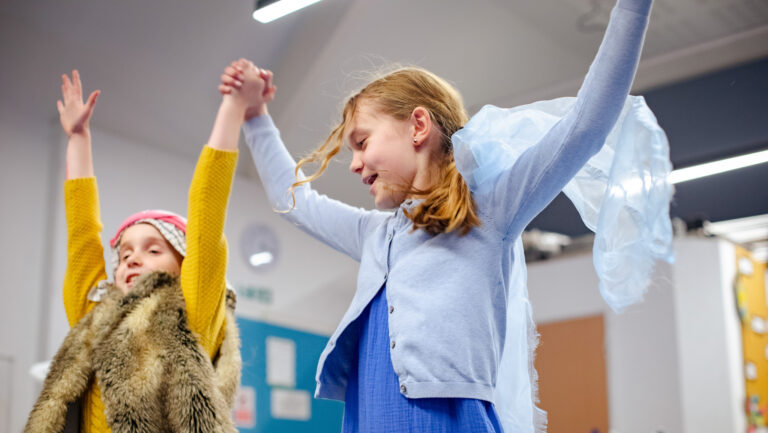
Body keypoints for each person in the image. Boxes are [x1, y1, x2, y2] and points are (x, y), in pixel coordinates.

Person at [221, 0, 672, 431]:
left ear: (418, 127)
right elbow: (293, 200)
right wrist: (256, 116)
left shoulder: (491, 211)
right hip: (367, 418)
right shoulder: (376, 234)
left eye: (361, 142)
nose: (355, 163)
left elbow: (587, 124)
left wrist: (632, 7)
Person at [23, 68, 266, 432]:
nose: (133, 258)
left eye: (154, 251)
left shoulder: (195, 316)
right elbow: (82, 237)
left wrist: (233, 106)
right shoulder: (93, 317)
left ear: (186, 267)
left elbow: (206, 213)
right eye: (124, 255)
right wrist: (78, 138)